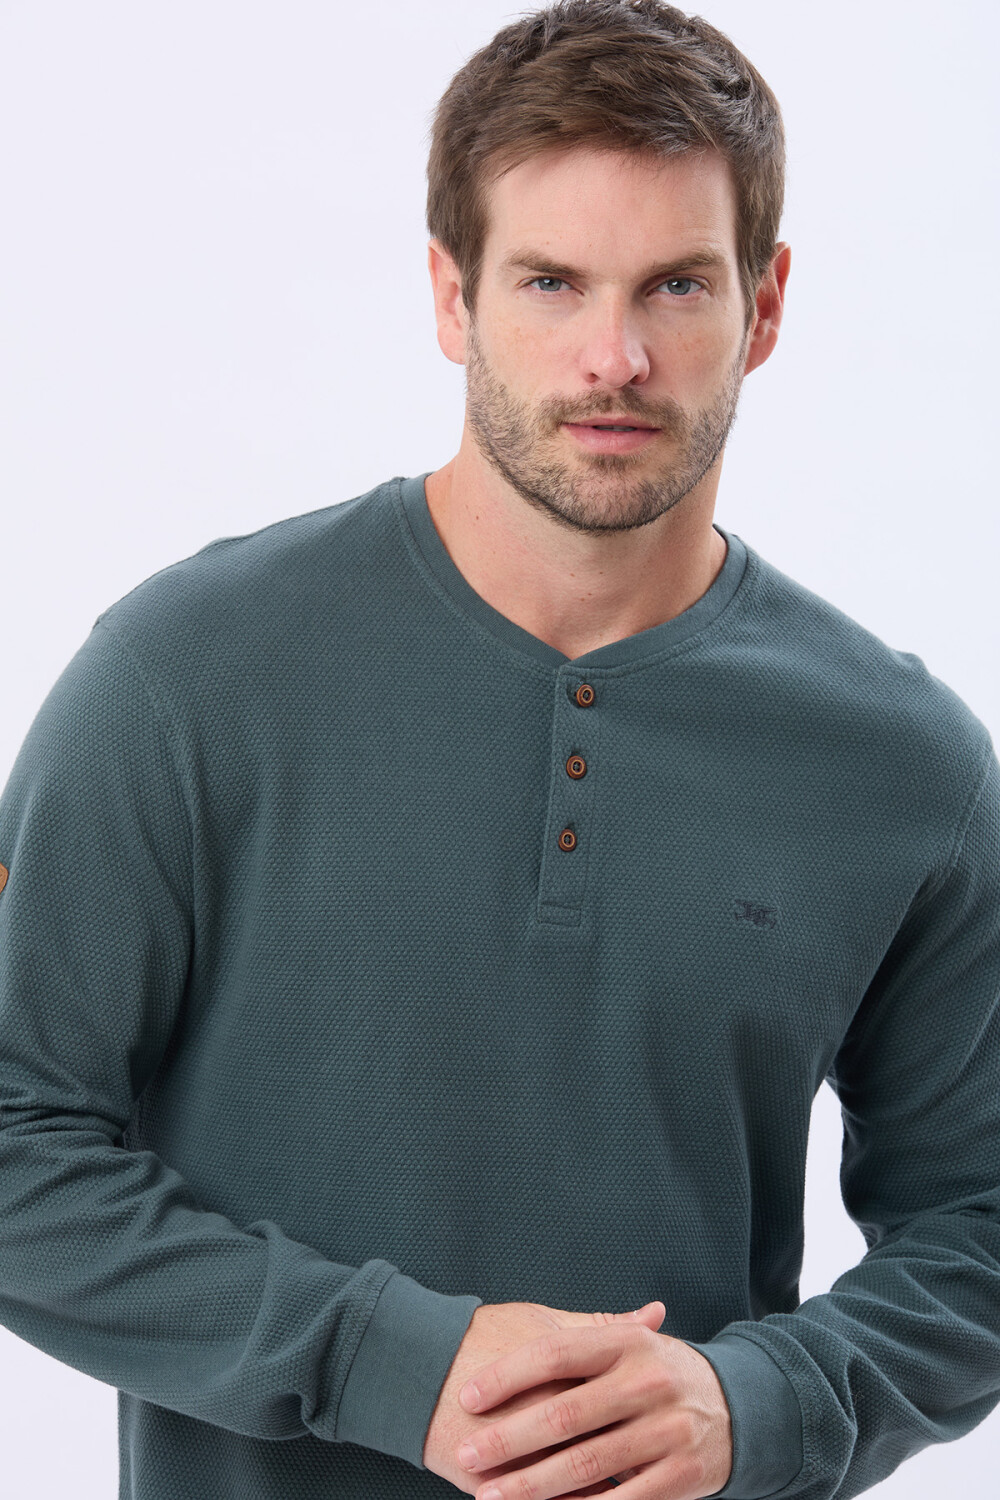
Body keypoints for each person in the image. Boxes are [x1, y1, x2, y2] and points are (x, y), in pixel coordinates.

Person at [1, 1, 998, 1497]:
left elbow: (980, 1222)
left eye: (677, 285)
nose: (615, 356)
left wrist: (764, 1405)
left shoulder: (904, 765)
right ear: (451, 297)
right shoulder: (185, 678)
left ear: (766, 305)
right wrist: (380, 1360)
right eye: (550, 282)